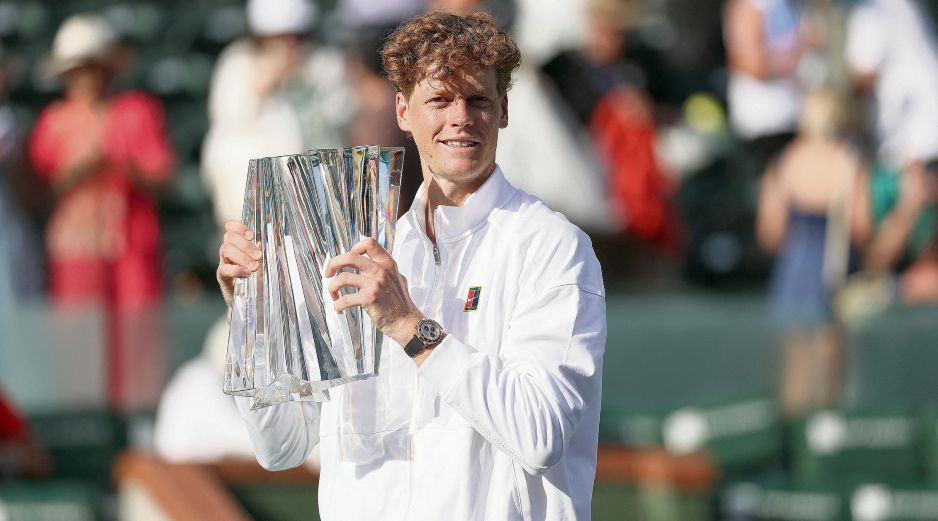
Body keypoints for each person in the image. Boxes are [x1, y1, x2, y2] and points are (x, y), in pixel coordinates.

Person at [217, 11, 606, 520]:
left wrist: (408, 326)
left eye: (479, 100)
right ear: (404, 110)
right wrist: (253, 313)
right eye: (440, 99)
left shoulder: (552, 246)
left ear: (504, 110)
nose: (461, 117)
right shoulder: (362, 250)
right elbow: (282, 446)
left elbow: (539, 435)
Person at [28, 14, 174, 411]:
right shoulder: (53, 122)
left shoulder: (136, 111)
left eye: (92, 67)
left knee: (137, 344)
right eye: (77, 69)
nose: (85, 78)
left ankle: (137, 422)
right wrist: (78, 171)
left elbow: (163, 177)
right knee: (78, 347)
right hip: (75, 250)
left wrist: (120, 165)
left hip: (130, 247)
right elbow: (38, 190)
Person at [756, 89, 870, 416]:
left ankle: (795, 443)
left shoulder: (786, 161)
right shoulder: (849, 161)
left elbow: (770, 233)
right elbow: (861, 227)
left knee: (795, 362)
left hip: (794, 268)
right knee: (832, 361)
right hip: (833, 268)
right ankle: (824, 440)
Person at [201, 0, 356, 227]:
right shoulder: (238, 63)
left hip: (312, 205)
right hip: (253, 204)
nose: (288, 46)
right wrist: (264, 81)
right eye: (278, 38)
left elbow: (341, 115)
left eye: (296, 37)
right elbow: (230, 118)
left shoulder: (323, 64)